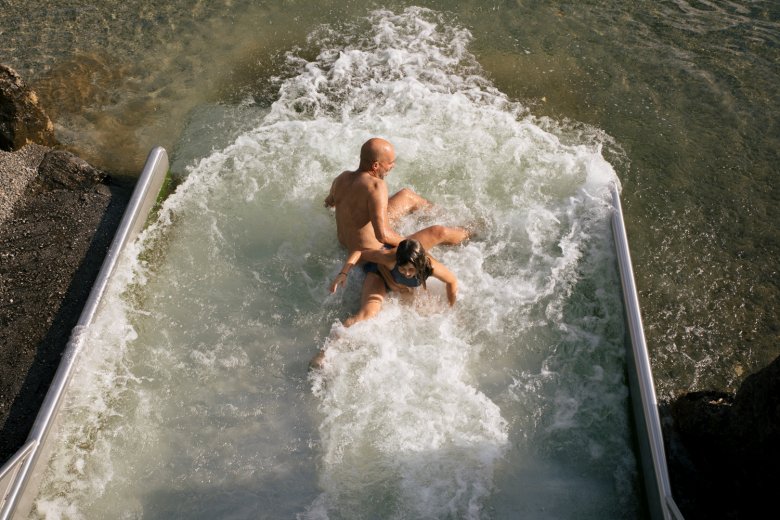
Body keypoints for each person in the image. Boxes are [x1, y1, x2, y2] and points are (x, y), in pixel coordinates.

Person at [324, 137, 451, 250]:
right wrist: (411, 243)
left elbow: (329, 203)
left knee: (406, 195)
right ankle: (468, 233)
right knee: (439, 232)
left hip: (346, 246)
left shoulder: (342, 178)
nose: (393, 165)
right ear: (375, 165)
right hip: (370, 255)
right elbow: (383, 236)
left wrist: (349, 221)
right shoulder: (376, 186)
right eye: (390, 162)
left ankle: (444, 215)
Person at [330, 236, 459, 327]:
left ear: (419, 265)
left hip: (399, 283)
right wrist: (343, 273)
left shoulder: (430, 267)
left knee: (431, 312)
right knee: (367, 315)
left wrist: (451, 308)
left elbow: (451, 281)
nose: (407, 273)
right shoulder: (389, 258)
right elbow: (359, 253)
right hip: (378, 275)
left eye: (411, 270)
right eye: (402, 269)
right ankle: (325, 352)